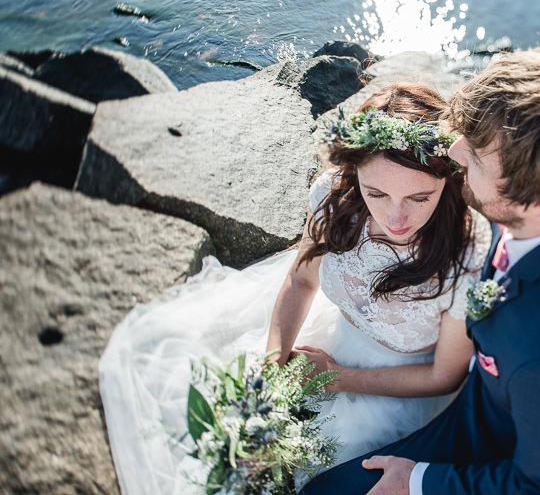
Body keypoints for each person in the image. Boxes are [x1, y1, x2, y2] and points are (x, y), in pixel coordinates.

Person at [300, 43, 540, 495]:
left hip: (493, 436)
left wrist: (418, 480)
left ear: (529, 197)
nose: (454, 152)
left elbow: (538, 487)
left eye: (474, 155)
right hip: (479, 392)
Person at [98, 83, 491, 495]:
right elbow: (301, 280)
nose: (396, 216)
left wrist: (337, 378)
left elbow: (443, 375)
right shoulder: (336, 197)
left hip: (399, 390)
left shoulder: (468, 253)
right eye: (376, 192)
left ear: (448, 178)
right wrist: (274, 363)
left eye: (419, 196)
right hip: (325, 340)